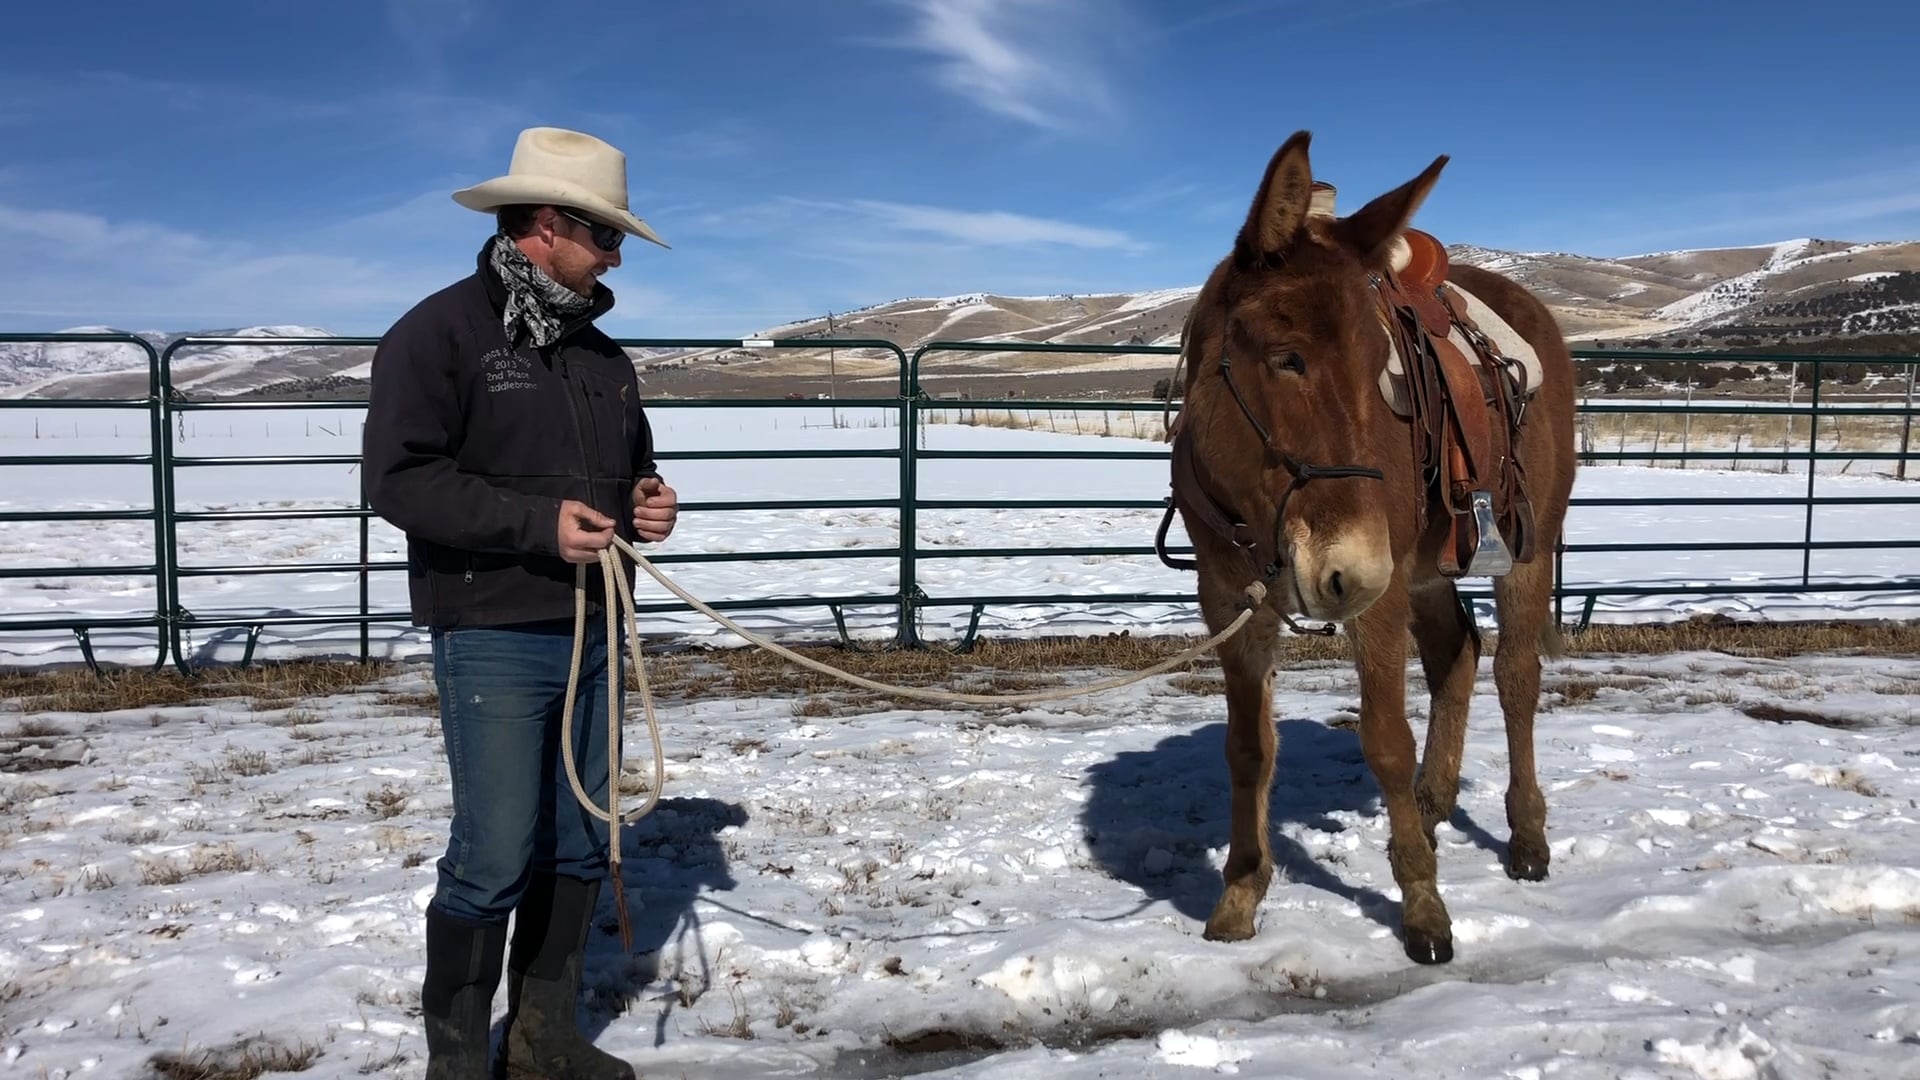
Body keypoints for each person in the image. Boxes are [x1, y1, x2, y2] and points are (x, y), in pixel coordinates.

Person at [362, 125, 679, 1079]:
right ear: (548, 226)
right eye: (607, 238)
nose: (617, 257)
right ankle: (457, 1064)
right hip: (493, 626)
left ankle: (544, 1042)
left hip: (593, 623)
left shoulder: (603, 361)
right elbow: (402, 481)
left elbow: (629, 468)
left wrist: (646, 500)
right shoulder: (440, 334)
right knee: (497, 848)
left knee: (583, 836)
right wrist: (537, 529)